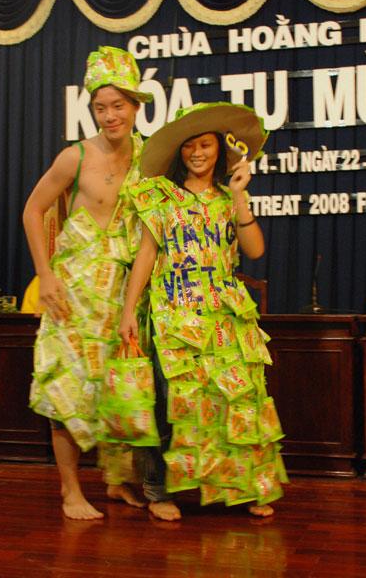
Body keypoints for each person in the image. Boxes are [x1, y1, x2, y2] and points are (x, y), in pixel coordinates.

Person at [119, 103, 288, 521]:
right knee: (169, 402)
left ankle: (244, 487)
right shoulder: (161, 196)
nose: (197, 153)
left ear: (220, 150)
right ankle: (157, 491)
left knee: (236, 401)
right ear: (180, 152)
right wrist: (128, 310)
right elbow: (146, 254)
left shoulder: (229, 198)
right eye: (189, 145)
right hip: (173, 312)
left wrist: (239, 194)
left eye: (206, 144)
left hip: (224, 315)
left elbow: (255, 250)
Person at [24, 46, 152, 520]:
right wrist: (45, 275)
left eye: (118, 105)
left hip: (123, 292)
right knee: (69, 389)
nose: (110, 115)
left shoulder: (151, 159)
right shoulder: (75, 156)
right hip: (73, 294)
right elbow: (33, 210)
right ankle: (71, 491)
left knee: (121, 388)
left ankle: (118, 481)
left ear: (136, 105)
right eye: (101, 107)